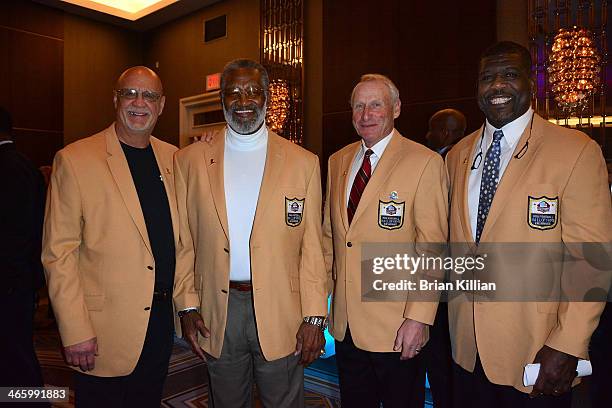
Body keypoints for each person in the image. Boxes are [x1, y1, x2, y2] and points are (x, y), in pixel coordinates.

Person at [445, 41, 612, 407]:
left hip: (537, 351)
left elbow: (591, 259)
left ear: (532, 82)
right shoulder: (457, 156)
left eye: (509, 75)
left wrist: (568, 343)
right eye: (487, 78)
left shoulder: (576, 151)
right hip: (465, 351)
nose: (497, 86)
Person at [173, 59, 328, 407]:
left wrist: (315, 316)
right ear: (222, 100)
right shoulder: (190, 161)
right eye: (233, 93)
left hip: (283, 310)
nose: (244, 101)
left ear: (267, 97)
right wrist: (186, 307)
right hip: (218, 311)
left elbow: (312, 249)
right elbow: (185, 241)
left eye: (253, 91)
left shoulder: (303, 162)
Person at [42, 66, 187, 407]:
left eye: (150, 95)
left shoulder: (176, 158)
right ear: (115, 99)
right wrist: (75, 329)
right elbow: (57, 254)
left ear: (162, 104)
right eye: (130, 93)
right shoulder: (75, 159)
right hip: (103, 328)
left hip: (161, 323)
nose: (140, 103)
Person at [322, 74, 448, 407]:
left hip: (397, 328)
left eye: (376, 105)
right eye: (359, 106)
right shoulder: (337, 162)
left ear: (396, 108)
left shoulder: (425, 163)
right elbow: (329, 239)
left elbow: (432, 249)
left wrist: (418, 318)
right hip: (346, 327)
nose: (366, 115)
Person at [0, 107, 47, 394]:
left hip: (9, 282)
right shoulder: (23, 165)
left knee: (15, 359)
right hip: (19, 280)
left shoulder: (8, 168)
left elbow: (14, 233)